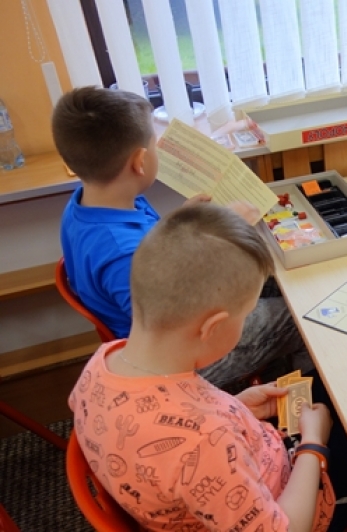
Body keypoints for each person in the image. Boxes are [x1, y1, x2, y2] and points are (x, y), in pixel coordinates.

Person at [69, 203, 347, 532]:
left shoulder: (104, 361)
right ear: (212, 328)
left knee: (338, 384)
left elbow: (172, 422)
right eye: (245, 315)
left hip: (245, 456)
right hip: (295, 507)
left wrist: (237, 408)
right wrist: (314, 444)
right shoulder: (202, 444)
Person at [52, 86, 313, 390]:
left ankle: (278, 363)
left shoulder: (94, 201)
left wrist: (181, 219)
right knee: (301, 314)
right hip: (180, 357)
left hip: (171, 310)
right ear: (140, 161)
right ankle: (305, 395)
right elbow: (177, 316)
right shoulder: (123, 253)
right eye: (155, 143)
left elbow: (155, 251)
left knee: (285, 279)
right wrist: (231, 234)